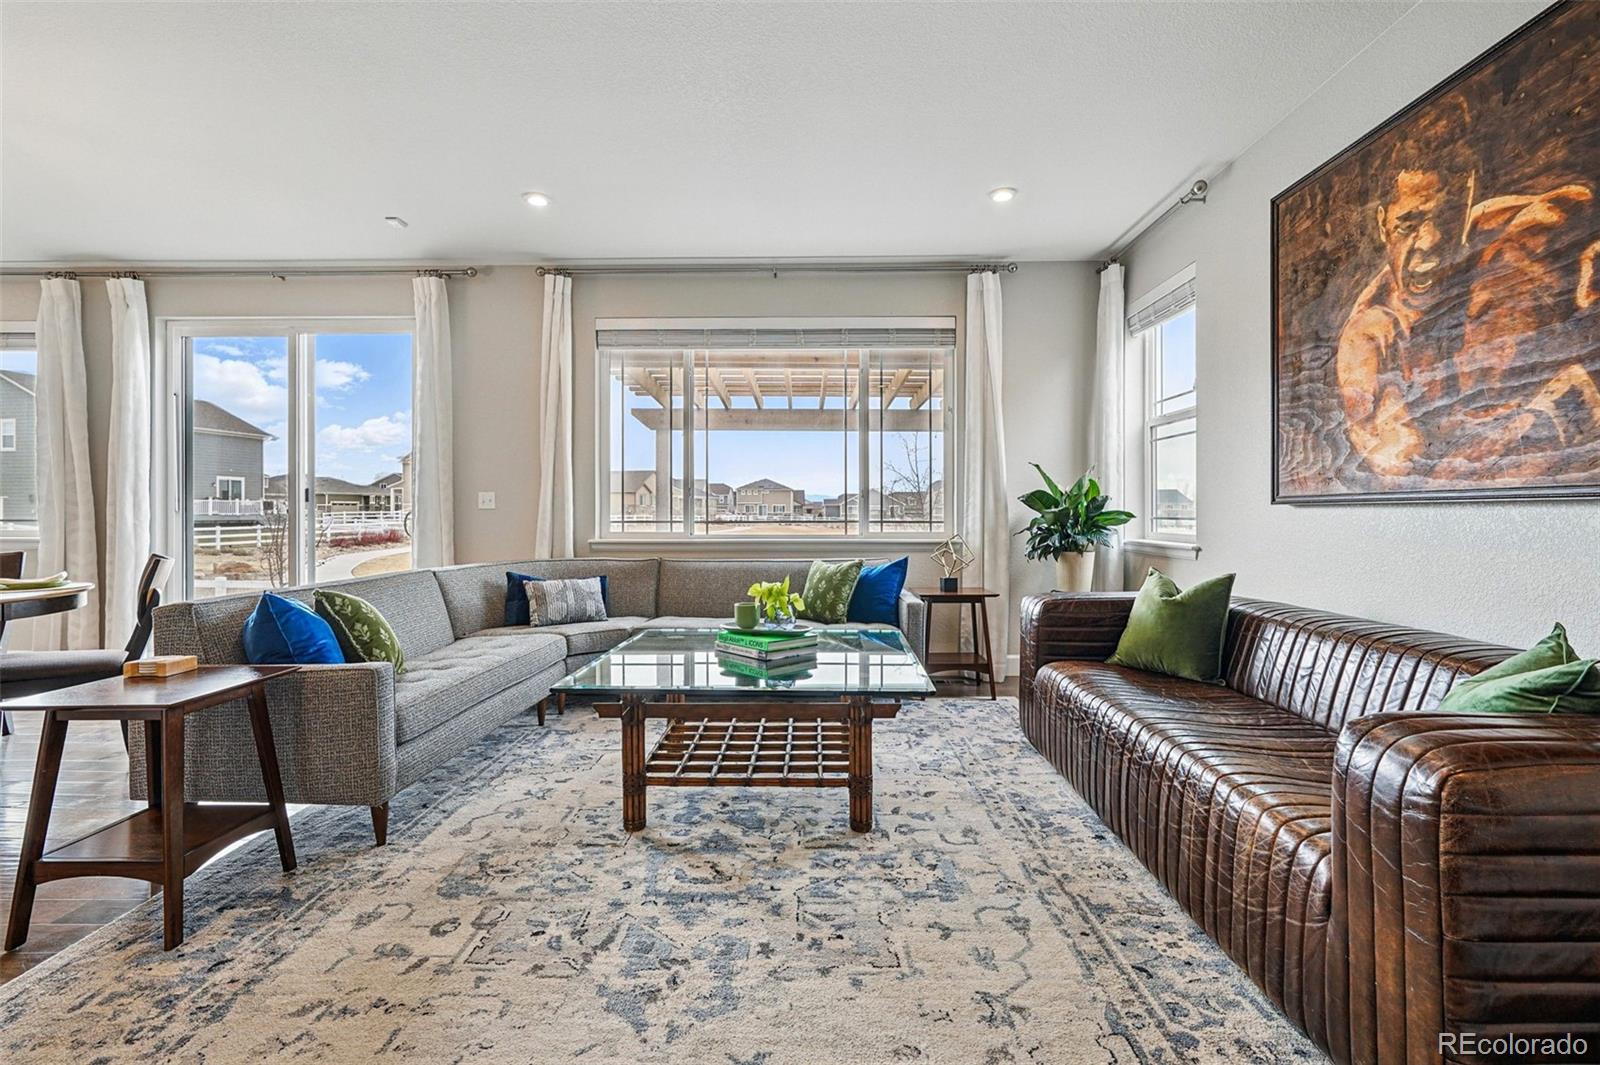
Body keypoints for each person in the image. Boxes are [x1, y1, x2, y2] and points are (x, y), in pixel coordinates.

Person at [1334, 97, 1599, 485]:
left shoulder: (1495, 240)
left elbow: (1579, 202)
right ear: (1382, 224)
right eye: (1409, 223)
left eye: (1447, 216)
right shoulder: (1372, 336)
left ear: (1469, 198)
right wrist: (1545, 412)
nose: (1431, 240)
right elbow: (1407, 466)